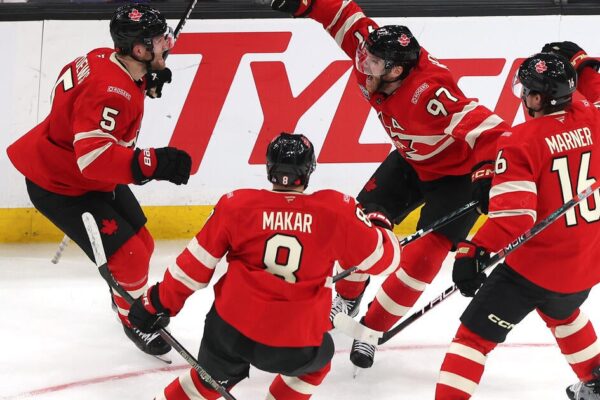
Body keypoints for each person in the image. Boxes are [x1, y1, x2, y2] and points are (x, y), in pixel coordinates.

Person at [269, 0, 510, 368]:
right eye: (365, 58)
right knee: (359, 226)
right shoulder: (375, 54)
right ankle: (349, 297)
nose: (363, 66)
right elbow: (346, 15)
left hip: (455, 178)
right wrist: (308, 4)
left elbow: (491, 130)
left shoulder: (431, 92)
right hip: (411, 162)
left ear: (398, 70)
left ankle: (372, 329)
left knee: (423, 259)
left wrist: (486, 175)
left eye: (374, 64)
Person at [127, 132, 402, 399]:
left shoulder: (237, 205)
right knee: (319, 361)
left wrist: (156, 303)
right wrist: (379, 225)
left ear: (269, 169)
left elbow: (193, 268)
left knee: (206, 381)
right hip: (293, 342)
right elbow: (385, 261)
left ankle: (209, 381)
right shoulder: (335, 210)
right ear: (308, 170)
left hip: (229, 330)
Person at [6, 3, 191, 358]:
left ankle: (121, 293)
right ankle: (131, 319)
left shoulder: (104, 59)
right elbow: (93, 159)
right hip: (60, 186)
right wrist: (155, 162)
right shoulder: (110, 91)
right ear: (138, 50)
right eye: (158, 40)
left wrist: (143, 81)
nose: (167, 43)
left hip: (78, 174)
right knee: (132, 256)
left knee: (145, 244)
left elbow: (85, 111)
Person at [435, 45, 600, 400]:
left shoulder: (519, 142)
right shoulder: (592, 117)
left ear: (538, 99)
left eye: (527, 91)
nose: (523, 97)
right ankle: (597, 382)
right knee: (564, 311)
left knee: (472, 340)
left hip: (535, 270)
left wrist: (472, 250)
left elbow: (515, 219)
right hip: (586, 266)